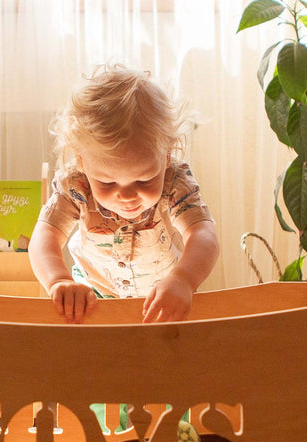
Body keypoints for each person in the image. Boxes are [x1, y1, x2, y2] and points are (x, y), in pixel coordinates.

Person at [30, 64, 220, 324]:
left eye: (144, 179)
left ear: (166, 156)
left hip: (164, 300)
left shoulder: (175, 181)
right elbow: (45, 235)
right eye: (107, 183)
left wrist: (183, 279)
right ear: (82, 161)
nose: (128, 195)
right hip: (92, 302)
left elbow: (203, 234)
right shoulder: (76, 184)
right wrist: (58, 280)